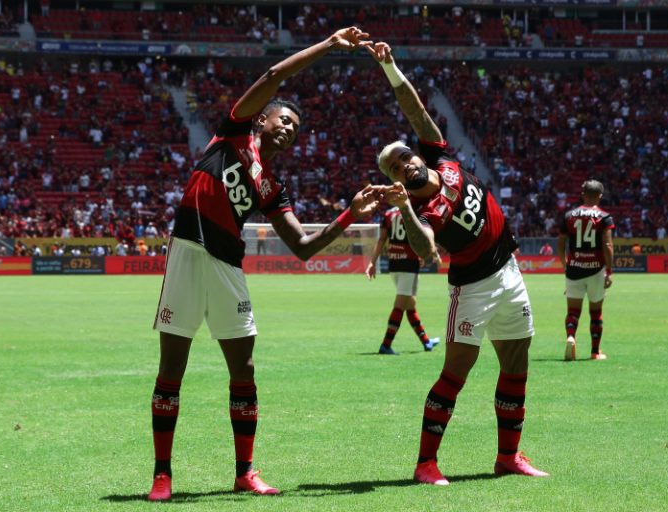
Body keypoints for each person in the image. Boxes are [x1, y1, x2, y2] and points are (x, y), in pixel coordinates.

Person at [148, 27, 378, 502]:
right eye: (284, 119)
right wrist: (330, 48)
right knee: (172, 369)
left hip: (228, 268)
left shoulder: (272, 185)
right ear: (261, 121)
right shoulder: (232, 133)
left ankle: (245, 472)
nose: (290, 127)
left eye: (297, 126)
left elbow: (304, 247)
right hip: (188, 253)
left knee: (245, 370)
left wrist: (349, 215)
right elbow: (274, 74)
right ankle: (162, 475)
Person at [366, 41, 547, 486]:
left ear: (415, 154)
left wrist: (390, 68)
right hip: (474, 287)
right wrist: (403, 204)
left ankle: (508, 456)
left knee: (516, 363)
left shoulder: (441, 156)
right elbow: (427, 248)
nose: (402, 166)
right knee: (455, 374)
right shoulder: (420, 211)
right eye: (393, 168)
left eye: (403, 157)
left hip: (510, 270)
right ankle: (426, 463)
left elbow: (414, 110)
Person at [366, 206, 440, 355]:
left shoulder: (388, 213)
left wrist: (372, 262)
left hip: (394, 264)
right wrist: (431, 255)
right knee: (400, 305)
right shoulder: (413, 213)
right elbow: (422, 237)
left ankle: (426, 342)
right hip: (409, 265)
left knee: (410, 305)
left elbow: (381, 240)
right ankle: (385, 345)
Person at [557, 180, 615, 362]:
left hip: (574, 269)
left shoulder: (569, 216)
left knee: (573, 311)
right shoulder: (604, 217)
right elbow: (607, 245)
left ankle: (571, 336)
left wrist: (565, 265)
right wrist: (609, 270)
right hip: (595, 269)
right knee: (595, 312)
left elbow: (560, 243)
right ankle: (595, 352)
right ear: (600, 195)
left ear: (583, 194)